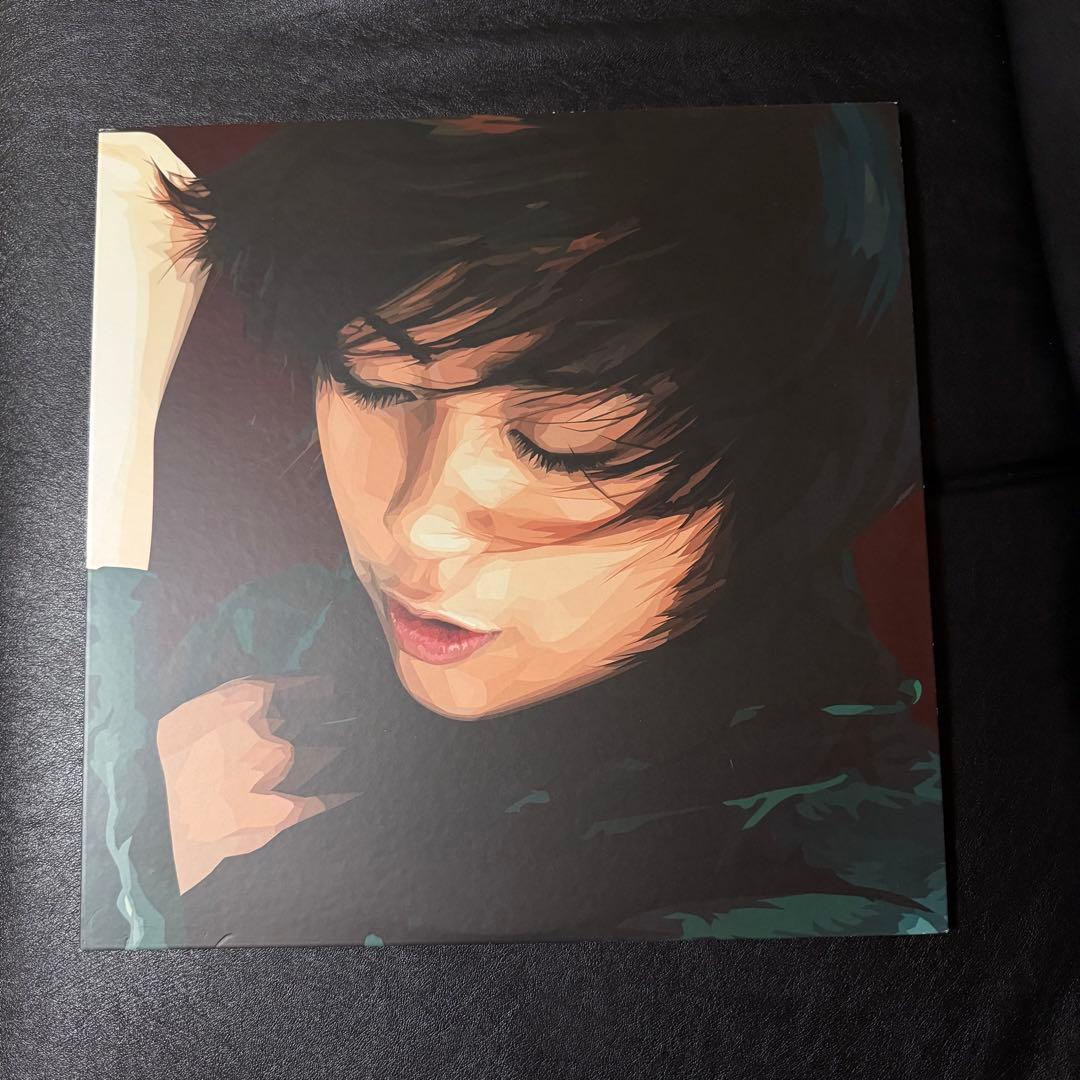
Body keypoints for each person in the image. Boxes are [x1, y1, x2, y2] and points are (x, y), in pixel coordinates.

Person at [82, 106, 946, 948]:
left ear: (780, 478)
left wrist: (131, 852)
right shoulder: (273, 643)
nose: (421, 526)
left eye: (567, 448)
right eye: (376, 384)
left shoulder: (838, 895)